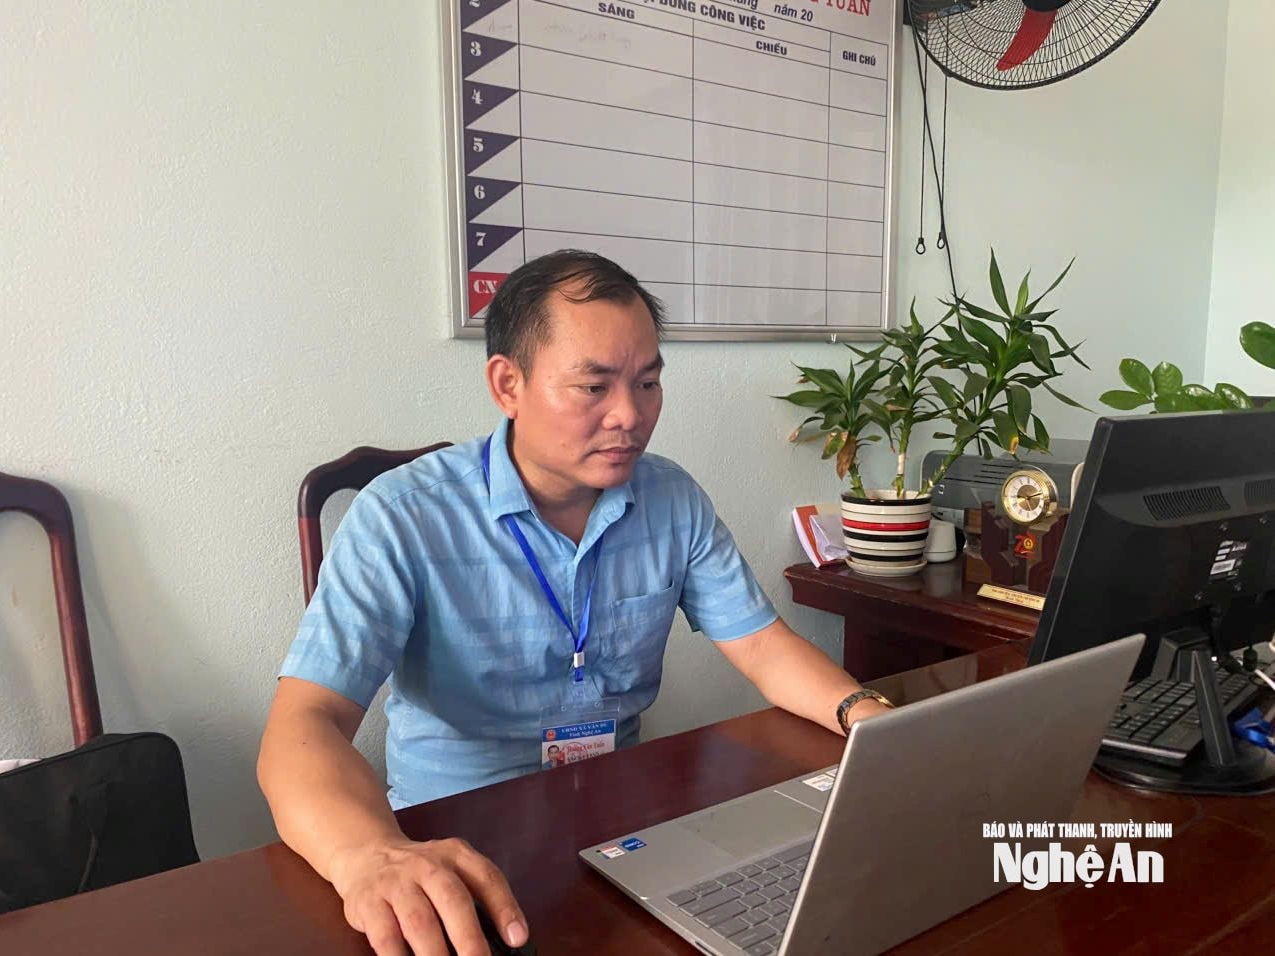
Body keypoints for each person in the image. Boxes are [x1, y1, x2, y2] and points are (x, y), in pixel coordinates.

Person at [257, 250, 892, 956]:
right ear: (508, 383)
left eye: (648, 382)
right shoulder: (403, 515)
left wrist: (870, 719)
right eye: (594, 386)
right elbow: (303, 724)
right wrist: (368, 856)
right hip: (457, 842)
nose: (630, 415)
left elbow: (763, 645)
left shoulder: (671, 498)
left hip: (627, 835)